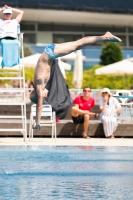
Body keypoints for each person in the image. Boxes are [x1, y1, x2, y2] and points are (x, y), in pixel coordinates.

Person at [30, 31, 121, 129]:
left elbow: (39, 106)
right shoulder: (40, 85)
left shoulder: (39, 84)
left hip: (51, 52)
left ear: (38, 94)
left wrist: (37, 122)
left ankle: (105, 36)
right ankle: (104, 37)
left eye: (43, 98)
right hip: (50, 51)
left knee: (79, 44)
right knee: (79, 44)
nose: (45, 97)